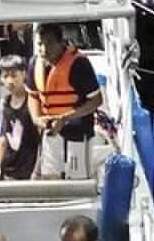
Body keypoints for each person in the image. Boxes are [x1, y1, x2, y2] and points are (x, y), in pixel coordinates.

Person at [28, 24, 104, 179]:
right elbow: (33, 95)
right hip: (50, 131)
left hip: (77, 131)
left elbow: (96, 100)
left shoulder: (79, 64)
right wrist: (36, 118)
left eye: (49, 43)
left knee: (77, 179)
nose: (44, 49)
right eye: (40, 44)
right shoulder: (34, 63)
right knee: (50, 178)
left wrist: (65, 118)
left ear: (61, 42)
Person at [0, 55, 41, 181]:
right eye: (5, 76)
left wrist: (38, 168)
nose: (9, 81)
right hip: (8, 167)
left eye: (14, 75)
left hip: (30, 166)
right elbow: (3, 137)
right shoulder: (4, 102)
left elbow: (41, 138)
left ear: (24, 74)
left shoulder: (34, 100)